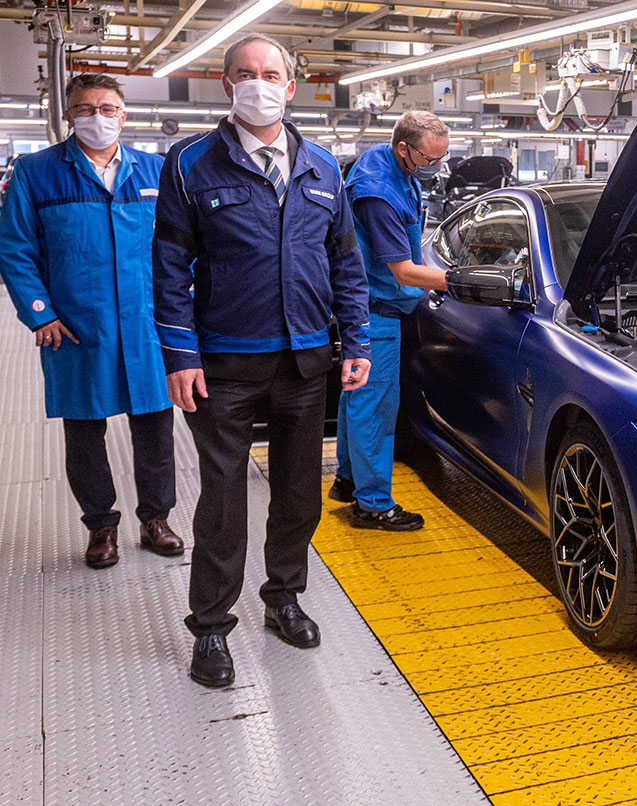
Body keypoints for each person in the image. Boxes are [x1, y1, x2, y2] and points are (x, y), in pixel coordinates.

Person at [153, 34, 371, 689]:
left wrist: (356, 341)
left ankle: (282, 598)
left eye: (270, 72)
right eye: (245, 73)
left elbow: (346, 264)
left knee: (299, 493)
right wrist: (180, 353)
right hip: (223, 364)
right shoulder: (190, 163)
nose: (258, 82)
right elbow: (167, 268)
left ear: (291, 84)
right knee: (222, 502)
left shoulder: (324, 167)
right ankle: (212, 628)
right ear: (226, 85)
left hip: (305, 363)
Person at [0, 73, 182, 569]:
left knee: (155, 427)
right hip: (78, 328)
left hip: (147, 325)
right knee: (84, 431)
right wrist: (41, 314)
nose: (95, 116)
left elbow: (180, 246)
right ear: (68, 115)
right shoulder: (36, 172)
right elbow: (16, 250)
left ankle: (156, 519)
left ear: (123, 116)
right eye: (84, 108)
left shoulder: (157, 171)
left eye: (106, 108)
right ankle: (101, 525)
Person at [330, 111, 451, 530]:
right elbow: (402, 271)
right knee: (375, 409)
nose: (435, 167)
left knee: (356, 399)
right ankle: (373, 505)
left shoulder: (392, 167)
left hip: (371, 305)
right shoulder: (378, 192)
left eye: (441, 158)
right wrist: (457, 281)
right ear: (403, 148)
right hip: (375, 311)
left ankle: (348, 480)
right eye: (429, 159)